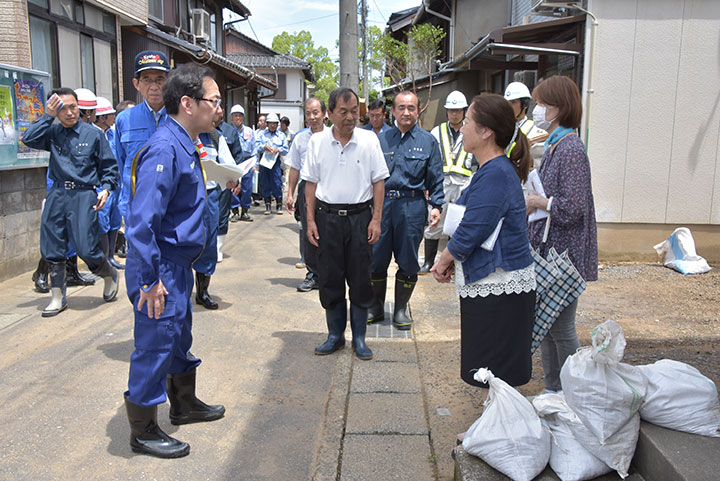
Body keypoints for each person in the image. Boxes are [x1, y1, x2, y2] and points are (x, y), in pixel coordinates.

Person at [124, 63, 225, 459]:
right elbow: (142, 222)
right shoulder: (165, 148)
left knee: (178, 337)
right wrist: (149, 280)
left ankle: (183, 404)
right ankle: (144, 428)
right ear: (187, 103)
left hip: (178, 264)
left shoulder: (184, 141)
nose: (218, 109)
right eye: (213, 101)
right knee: (155, 342)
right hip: (159, 265)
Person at [431, 93, 536, 393]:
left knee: (495, 368)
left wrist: (444, 259)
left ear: (486, 131)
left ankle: (499, 431)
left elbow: (474, 229)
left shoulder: (496, 172)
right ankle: (493, 428)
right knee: (489, 368)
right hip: (492, 284)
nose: (461, 128)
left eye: (467, 122)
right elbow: (469, 216)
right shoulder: (491, 170)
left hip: (501, 285)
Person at [302, 87, 388, 360]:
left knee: (361, 279)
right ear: (330, 114)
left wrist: (376, 218)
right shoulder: (316, 142)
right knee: (329, 278)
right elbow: (310, 184)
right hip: (327, 220)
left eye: (354, 112)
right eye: (344, 112)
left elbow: (379, 182)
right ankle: (335, 336)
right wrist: (311, 220)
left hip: (360, 220)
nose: (350, 117)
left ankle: (359, 339)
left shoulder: (368, 140)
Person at [526, 75, 598, 394]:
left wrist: (539, 201)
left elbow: (573, 207)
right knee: (547, 324)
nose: (537, 109)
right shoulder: (554, 145)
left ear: (558, 108)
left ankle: (574, 392)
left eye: (542, 103)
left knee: (561, 325)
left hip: (564, 255)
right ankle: (554, 389)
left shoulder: (570, 149)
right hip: (551, 252)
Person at [21, 88, 119, 316]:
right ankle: (57, 297)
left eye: (72, 106)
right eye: (62, 108)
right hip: (57, 193)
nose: (69, 112)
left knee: (85, 246)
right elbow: (28, 138)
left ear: (80, 108)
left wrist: (105, 189)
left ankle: (108, 274)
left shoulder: (93, 134)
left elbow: (109, 167)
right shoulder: (52, 132)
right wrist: (47, 116)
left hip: (83, 194)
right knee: (52, 245)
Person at [368, 91, 444, 330]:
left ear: (418, 110)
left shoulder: (428, 141)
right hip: (381, 207)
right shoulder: (379, 140)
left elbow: (436, 178)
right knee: (375, 258)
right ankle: (376, 306)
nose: (406, 112)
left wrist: (437, 206)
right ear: (392, 111)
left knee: (409, 260)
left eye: (411, 108)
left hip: (411, 207)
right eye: (401, 107)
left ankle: (401, 309)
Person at [420, 91, 475, 274]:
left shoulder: (471, 129)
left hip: (464, 183)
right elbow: (429, 159)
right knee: (435, 221)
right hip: (442, 183)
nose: (454, 114)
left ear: (464, 111)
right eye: (451, 110)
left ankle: (453, 263)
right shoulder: (437, 131)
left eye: (458, 110)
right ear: (446, 111)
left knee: (459, 223)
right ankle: (428, 262)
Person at [115, 50, 170, 220]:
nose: (154, 86)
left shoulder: (182, 116)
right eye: (146, 79)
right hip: (135, 209)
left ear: (169, 82)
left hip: (172, 209)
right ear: (136, 83)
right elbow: (119, 162)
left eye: (159, 79)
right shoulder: (124, 119)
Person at [193, 109, 239, 309]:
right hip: (185, 195)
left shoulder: (215, 137)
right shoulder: (184, 135)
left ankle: (202, 291)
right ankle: (180, 288)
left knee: (209, 242)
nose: (215, 120)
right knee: (183, 241)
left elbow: (229, 164)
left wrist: (233, 178)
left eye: (218, 118)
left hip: (209, 195)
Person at [285, 97, 328, 292]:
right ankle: (312, 274)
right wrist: (290, 193)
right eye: (308, 113)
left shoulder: (333, 136)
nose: (312, 117)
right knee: (308, 231)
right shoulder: (300, 138)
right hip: (305, 189)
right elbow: (294, 167)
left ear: (324, 114)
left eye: (315, 112)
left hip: (328, 189)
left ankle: (329, 272)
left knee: (329, 230)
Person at [94, 96, 125, 270]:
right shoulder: (93, 135)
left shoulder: (113, 134)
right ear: (100, 118)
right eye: (109, 114)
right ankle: (103, 259)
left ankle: (111, 256)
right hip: (101, 185)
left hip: (116, 184)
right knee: (102, 221)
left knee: (115, 219)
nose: (113, 117)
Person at [215, 105, 243, 261]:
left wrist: (237, 178)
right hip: (207, 180)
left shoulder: (229, 131)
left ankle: (218, 247)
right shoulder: (200, 128)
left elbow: (237, 157)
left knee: (222, 212)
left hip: (225, 180)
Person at [504, 81, 547, 168]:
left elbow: (543, 162)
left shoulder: (535, 131)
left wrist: (530, 162)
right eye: (507, 103)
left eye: (513, 102)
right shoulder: (501, 128)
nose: (509, 106)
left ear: (525, 104)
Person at [256, 112, 288, 215]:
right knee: (265, 183)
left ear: (277, 124)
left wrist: (278, 149)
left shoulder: (281, 135)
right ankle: (267, 206)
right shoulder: (261, 134)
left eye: (274, 123)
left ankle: (279, 205)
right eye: (270, 123)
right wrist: (264, 147)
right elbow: (256, 146)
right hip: (264, 162)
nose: (272, 125)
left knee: (277, 182)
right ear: (267, 124)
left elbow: (286, 149)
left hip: (275, 162)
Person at [229, 104, 255, 222]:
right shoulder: (228, 131)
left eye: (240, 116)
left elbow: (254, 147)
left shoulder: (249, 131)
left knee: (246, 188)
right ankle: (234, 211)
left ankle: (245, 211)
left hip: (247, 162)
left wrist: (255, 164)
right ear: (231, 117)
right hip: (233, 163)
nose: (238, 118)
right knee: (233, 187)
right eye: (235, 116)